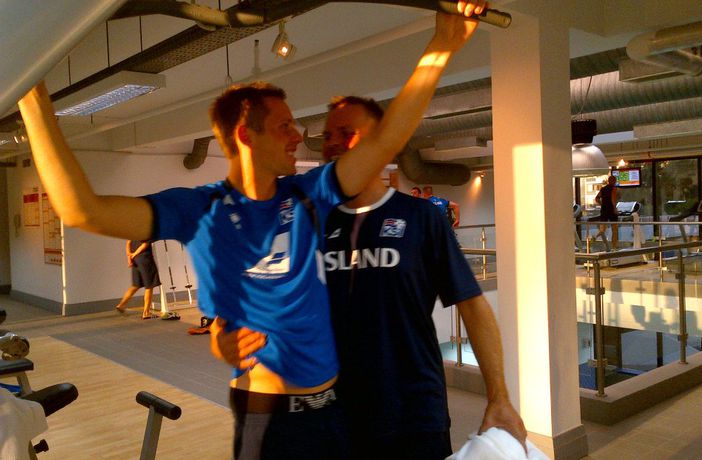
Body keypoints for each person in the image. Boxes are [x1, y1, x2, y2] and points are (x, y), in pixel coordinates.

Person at [17, 4, 485, 458]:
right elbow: (83, 211)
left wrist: (441, 46)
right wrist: (33, 98)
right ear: (247, 136)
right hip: (271, 417)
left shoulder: (307, 193)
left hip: (334, 410)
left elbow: (385, 140)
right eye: (285, 126)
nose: (298, 136)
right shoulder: (201, 209)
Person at [214, 92, 526, 459]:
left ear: (382, 144)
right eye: (328, 136)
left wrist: (499, 396)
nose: (332, 144)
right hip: (329, 417)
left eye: (346, 133)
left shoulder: (421, 218)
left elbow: (473, 307)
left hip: (412, 417)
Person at [115, 240, 161, 319]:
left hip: (135, 260)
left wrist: (129, 257)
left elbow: (128, 242)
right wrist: (134, 254)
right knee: (149, 285)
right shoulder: (145, 232)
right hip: (145, 259)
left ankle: (121, 305)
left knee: (136, 285)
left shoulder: (133, 232)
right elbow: (145, 244)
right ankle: (146, 313)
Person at [594, 175, 618, 250]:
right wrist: (614, 208)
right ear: (614, 181)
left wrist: (602, 204)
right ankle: (614, 247)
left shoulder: (603, 189)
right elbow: (613, 199)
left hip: (604, 210)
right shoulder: (614, 188)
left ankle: (593, 238)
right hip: (611, 210)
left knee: (602, 230)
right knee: (614, 229)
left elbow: (597, 198)